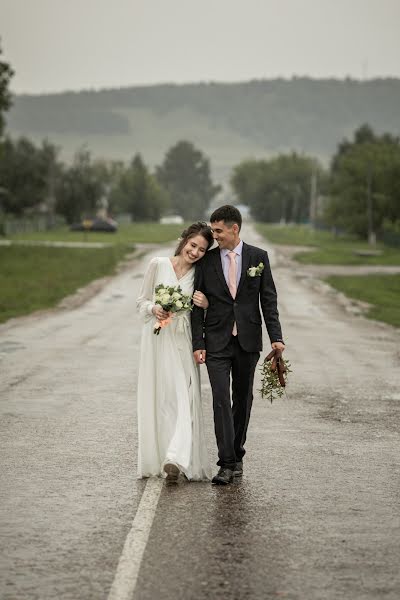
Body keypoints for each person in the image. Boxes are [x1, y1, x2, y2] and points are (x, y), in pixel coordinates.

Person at [191, 205, 285, 485]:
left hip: (247, 341)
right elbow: (196, 305)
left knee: (243, 400)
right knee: (221, 399)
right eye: (213, 229)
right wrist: (198, 342)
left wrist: (276, 338)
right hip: (216, 341)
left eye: (218, 230)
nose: (214, 235)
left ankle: (237, 454)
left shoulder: (259, 257)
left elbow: (269, 301)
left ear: (235, 229)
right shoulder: (206, 262)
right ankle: (226, 463)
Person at [136, 222, 214, 483]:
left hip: (182, 340)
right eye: (193, 245)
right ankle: (163, 453)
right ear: (184, 240)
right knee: (162, 398)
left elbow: (204, 309)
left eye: (202, 250)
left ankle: (176, 458)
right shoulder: (158, 264)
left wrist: (206, 303)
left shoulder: (200, 274)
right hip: (158, 338)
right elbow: (142, 301)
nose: (195, 253)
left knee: (184, 396)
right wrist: (153, 309)